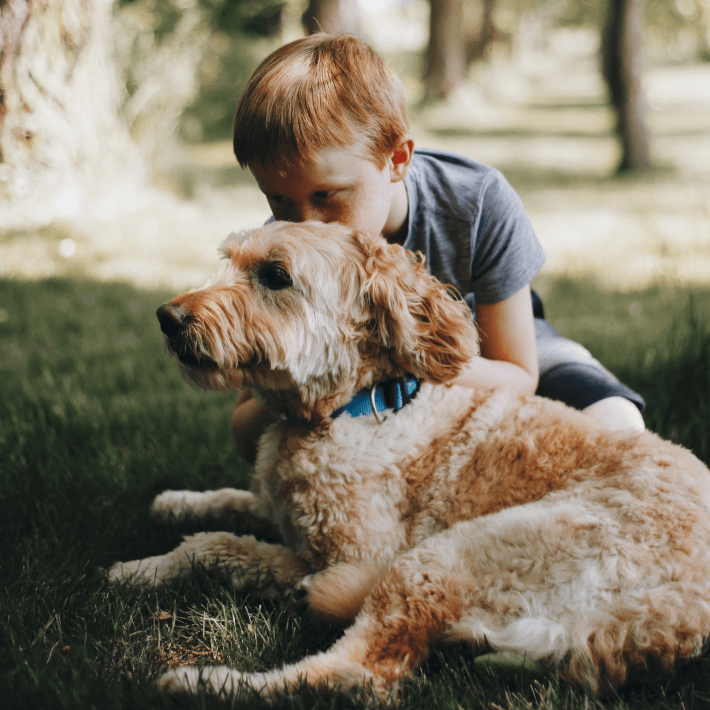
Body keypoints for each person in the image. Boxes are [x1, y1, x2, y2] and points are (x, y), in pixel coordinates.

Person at [229, 33, 645, 464]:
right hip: (353, 385)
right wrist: (294, 377)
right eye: (278, 200)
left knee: (618, 422)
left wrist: (402, 357)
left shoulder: (476, 203)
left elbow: (519, 375)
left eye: (327, 196)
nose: (304, 225)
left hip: (489, 346)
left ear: (397, 159)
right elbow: (246, 433)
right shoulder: (281, 257)